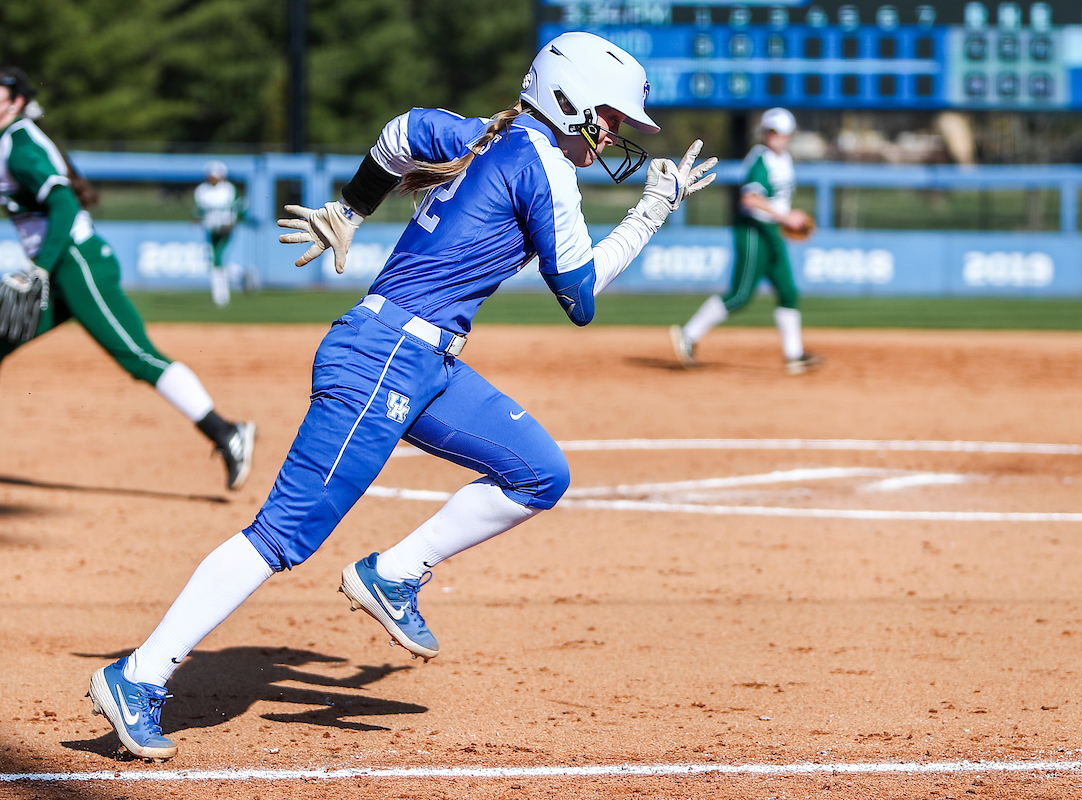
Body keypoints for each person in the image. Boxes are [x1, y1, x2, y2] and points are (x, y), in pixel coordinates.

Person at [86, 31, 717, 762]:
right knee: (281, 538)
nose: (612, 133)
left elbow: (400, 133)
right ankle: (139, 674)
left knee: (541, 472)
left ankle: (393, 572)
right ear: (568, 98)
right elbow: (579, 296)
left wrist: (353, 208)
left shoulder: (487, 133)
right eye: (607, 116)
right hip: (385, 357)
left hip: (422, 361)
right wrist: (650, 213)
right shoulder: (541, 162)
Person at [0, 66, 255, 490]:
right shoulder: (12, 140)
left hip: (77, 265)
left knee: (138, 356)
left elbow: (63, 206)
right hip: (64, 266)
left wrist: (41, 267)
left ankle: (226, 432)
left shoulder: (18, 143)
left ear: (19, 102)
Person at [670, 107, 824, 375]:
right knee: (740, 295)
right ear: (763, 132)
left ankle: (794, 355)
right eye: (771, 131)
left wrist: (782, 219)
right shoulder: (761, 160)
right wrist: (786, 216)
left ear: (789, 134)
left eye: (780, 132)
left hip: (771, 232)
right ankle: (688, 335)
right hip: (753, 231)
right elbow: (749, 199)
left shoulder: (783, 159)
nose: (775, 136)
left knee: (788, 291)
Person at [193, 159, 243, 308]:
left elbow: (240, 208)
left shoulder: (229, 189)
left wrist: (235, 221)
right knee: (216, 259)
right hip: (211, 228)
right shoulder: (202, 190)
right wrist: (196, 220)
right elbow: (199, 210)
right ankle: (241, 276)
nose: (213, 178)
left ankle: (221, 296)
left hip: (226, 228)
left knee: (218, 258)